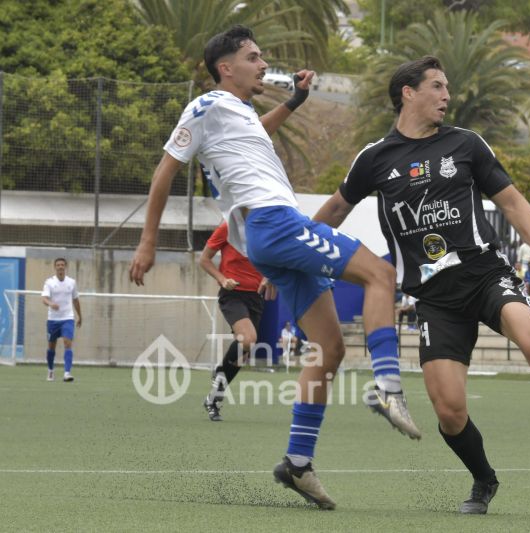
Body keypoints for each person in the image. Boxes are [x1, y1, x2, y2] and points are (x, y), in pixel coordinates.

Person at [312, 55, 530, 514]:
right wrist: (294, 251)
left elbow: (512, 201)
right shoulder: (374, 159)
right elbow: (335, 211)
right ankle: (483, 479)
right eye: (437, 86)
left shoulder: (465, 144)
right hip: (434, 299)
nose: (447, 95)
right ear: (408, 93)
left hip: (485, 275)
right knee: (449, 412)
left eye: (447, 86)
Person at [127, 26, 421, 510]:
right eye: (253, 57)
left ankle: (298, 464)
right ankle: (388, 386)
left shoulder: (238, 112)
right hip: (274, 222)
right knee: (381, 275)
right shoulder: (205, 105)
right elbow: (165, 170)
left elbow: (254, 134)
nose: (263, 64)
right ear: (226, 68)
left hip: (269, 237)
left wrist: (295, 102)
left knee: (329, 348)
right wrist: (147, 242)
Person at [199, 221, 272, 421]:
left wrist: (269, 276)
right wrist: (223, 279)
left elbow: (274, 259)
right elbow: (204, 260)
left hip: (256, 297)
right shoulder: (228, 227)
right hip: (233, 294)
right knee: (248, 339)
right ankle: (219, 372)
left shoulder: (266, 226)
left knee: (242, 355)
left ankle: (213, 399)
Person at [41, 258, 82, 382]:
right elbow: (44, 298)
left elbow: (75, 300)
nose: (60, 267)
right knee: (51, 346)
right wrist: (51, 304)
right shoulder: (49, 282)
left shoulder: (72, 282)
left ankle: (67, 373)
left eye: (62, 265)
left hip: (67, 318)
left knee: (67, 343)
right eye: (58, 265)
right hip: (53, 320)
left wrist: (80, 316)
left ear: (65, 267)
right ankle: (50, 370)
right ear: (55, 267)